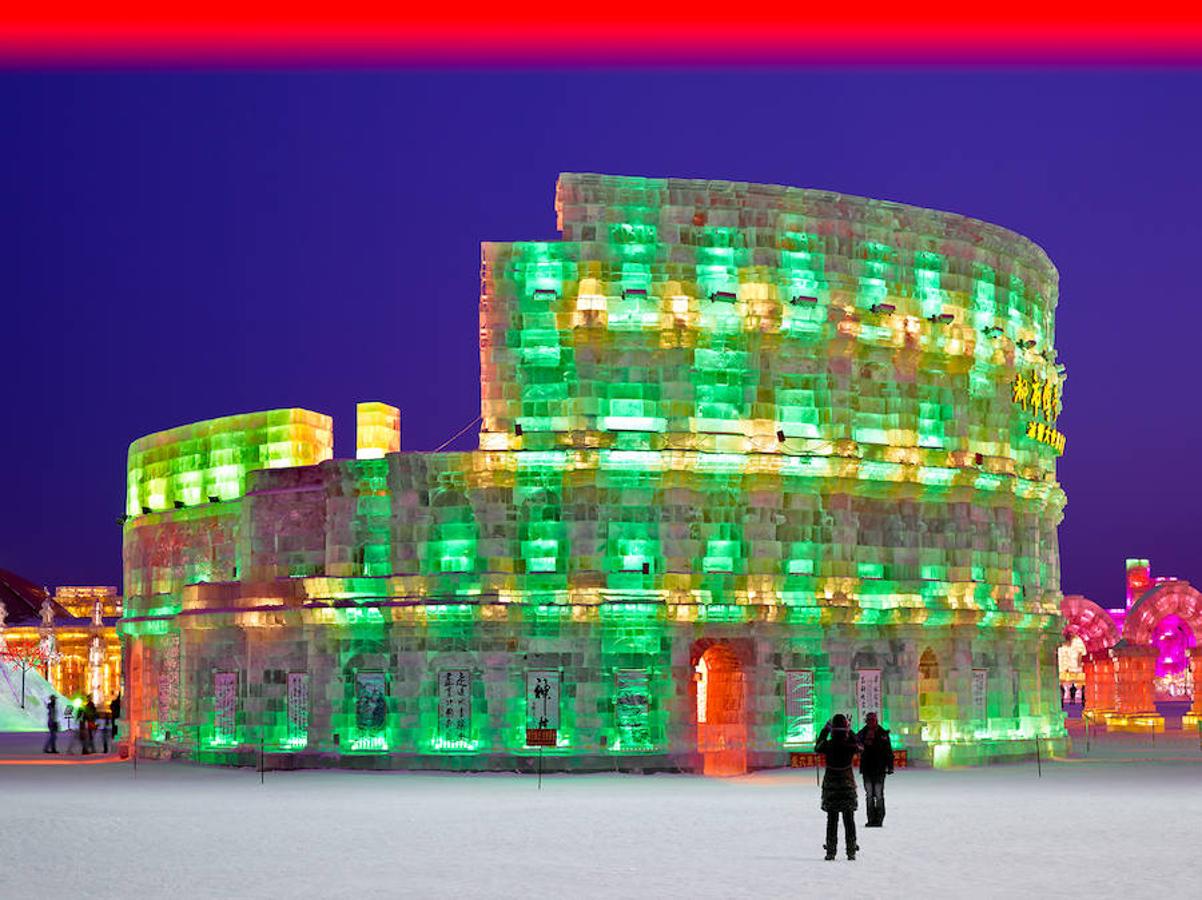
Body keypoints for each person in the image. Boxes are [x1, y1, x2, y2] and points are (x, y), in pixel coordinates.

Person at [815, 714, 861, 860]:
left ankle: (831, 850)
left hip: (831, 787)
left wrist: (824, 731)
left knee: (832, 819)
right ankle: (851, 850)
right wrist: (850, 730)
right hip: (847, 786)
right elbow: (860, 746)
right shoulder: (849, 746)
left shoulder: (828, 745)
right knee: (849, 819)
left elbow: (818, 746)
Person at [856, 711, 894, 827]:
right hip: (867, 768)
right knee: (869, 795)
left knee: (878, 794)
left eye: (873, 720)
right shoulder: (862, 734)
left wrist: (890, 765)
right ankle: (871, 819)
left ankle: (879, 819)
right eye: (869, 720)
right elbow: (856, 744)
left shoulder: (882, 734)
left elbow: (888, 751)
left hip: (879, 768)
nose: (871, 723)